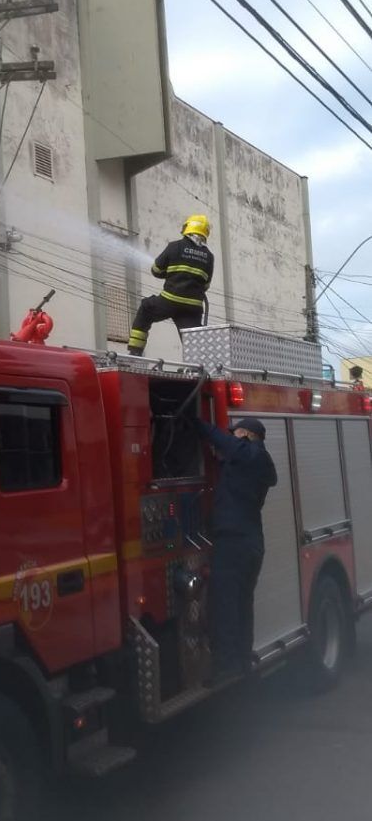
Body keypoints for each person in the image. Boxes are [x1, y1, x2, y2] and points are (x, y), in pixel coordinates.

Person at [194, 415, 277, 686]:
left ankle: (227, 667)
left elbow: (225, 444)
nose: (231, 437)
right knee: (242, 604)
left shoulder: (254, 456)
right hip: (248, 543)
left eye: (236, 433)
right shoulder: (249, 462)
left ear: (247, 435)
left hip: (235, 544)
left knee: (225, 605)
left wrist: (197, 423)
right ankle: (242, 661)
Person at [127, 215, 214, 356]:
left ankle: (135, 352)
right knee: (193, 340)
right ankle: (197, 365)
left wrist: (170, 274)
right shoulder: (209, 256)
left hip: (169, 300)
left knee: (146, 308)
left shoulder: (174, 247)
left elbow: (156, 270)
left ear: (187, 228)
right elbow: (206, 285)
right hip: (193, 307)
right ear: (205, 233)